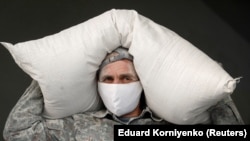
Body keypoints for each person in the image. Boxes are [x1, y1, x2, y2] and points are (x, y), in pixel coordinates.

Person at [3, 47, 244, 140]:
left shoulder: (171, 127)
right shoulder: (74, 126)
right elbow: (16, 132)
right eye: (108, 79)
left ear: (141, 84)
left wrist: (215, 88)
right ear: (97, 84)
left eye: (126, 78)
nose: (116, 85)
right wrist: (47, 76)